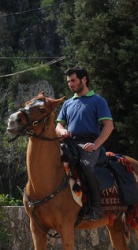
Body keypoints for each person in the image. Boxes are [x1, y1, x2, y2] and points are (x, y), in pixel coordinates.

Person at [56, 66, 115, 220]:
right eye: (69, 82)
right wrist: (62, 131)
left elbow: (109, 126)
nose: (70, 84)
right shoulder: (68, 103)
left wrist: (96, 144)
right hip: (70, 142)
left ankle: (96, 209)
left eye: (73, 80)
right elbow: (58, 125)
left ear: (84, 79)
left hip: (90, 144)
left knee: (87, 166)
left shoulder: (98, 101)